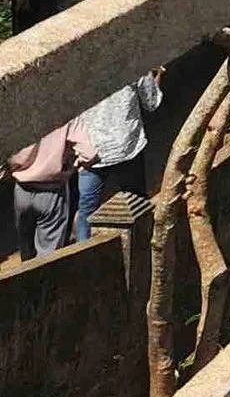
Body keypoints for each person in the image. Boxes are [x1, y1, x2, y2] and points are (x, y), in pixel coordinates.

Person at [72, 71, 160, 240]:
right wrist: (158, 76)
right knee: (137, 203)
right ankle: (142, 243)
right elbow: (152, 102)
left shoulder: (77, 69)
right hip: (127, 149)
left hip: (92, 153)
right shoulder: (135, 63)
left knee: (86, 211)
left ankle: (83, 249)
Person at [10, 121, 77, 260]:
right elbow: (89, 153)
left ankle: (27, 271)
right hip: (52, 191)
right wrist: (72, 168)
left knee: (25, 246)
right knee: (49, 253)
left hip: (22, 189)